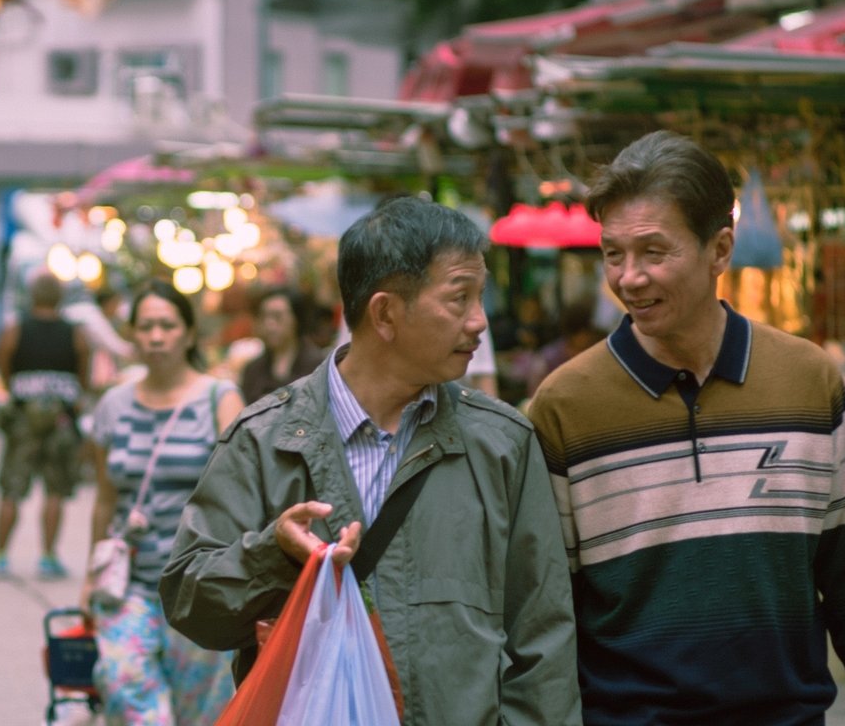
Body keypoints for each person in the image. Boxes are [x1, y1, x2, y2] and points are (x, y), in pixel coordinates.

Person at [528, 131, 845, 725]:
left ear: (720, 250)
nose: (629, 278)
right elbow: (545, 614)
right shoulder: (564, 407)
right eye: (613, 254)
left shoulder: (807, 382)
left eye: (654, 253)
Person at [162, 197, 580, 724]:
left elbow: (543, 641)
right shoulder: (265, 440)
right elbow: (192, 608)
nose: (479, 322)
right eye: (459, 299)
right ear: (384, 313)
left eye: (481, 297)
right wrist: (272, 554)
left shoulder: (502, 444)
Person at [81, 282, 243, 725]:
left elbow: (242, 493)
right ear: (131, 334)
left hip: (199, 587)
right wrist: (89, 578)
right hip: (128, 586)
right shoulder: (113, 404)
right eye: (145, 326)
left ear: (189, 334)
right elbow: (105, 499)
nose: (155, 336)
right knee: (124, 686)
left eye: (167, 326)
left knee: (202, 713)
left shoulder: (219, 399)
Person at [0, 273, 91, 579]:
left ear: (31, 296)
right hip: (62, 418)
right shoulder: (74, 333)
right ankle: (48, 556)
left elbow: (2, 364)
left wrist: (16, 389)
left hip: (23, 418)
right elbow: (85, 372)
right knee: (55, 490)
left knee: (11, 488)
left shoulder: (16, 328)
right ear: (60, 297)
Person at [237, 287, 325, 404]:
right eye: (264, 317)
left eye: (277, 317)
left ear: (296, 319)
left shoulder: (318, 365)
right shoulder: (253, 369)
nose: (269, 324)